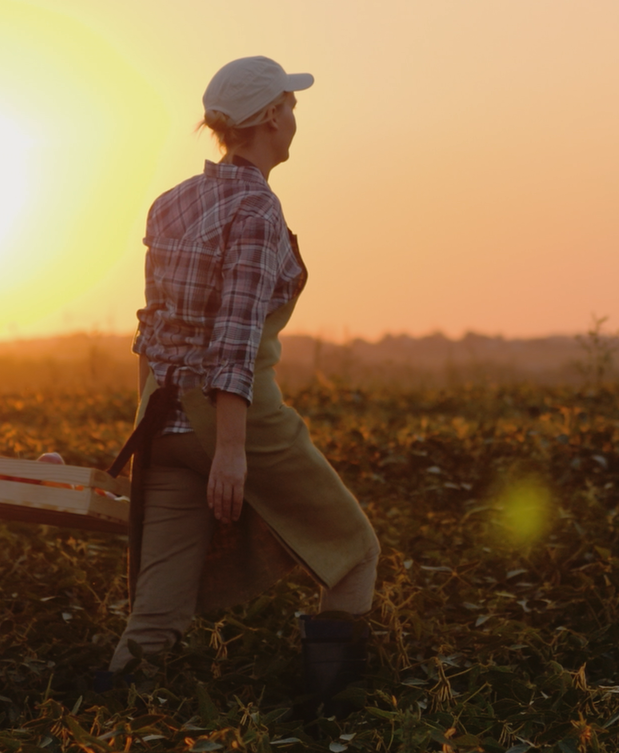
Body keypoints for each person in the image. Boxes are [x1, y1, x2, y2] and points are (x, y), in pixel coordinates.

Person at [109, 56, 381, 714]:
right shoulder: (256, 208)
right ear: (267, 120)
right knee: (351, 550)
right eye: (288, 107)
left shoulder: (170, 203)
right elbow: (233, 339)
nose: (295, 120)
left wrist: (146, 425)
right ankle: (330, 719)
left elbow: (149, 329)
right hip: (235, 416)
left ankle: (100, 718)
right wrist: (230, 449)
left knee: (155, 619)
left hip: (163, 421)